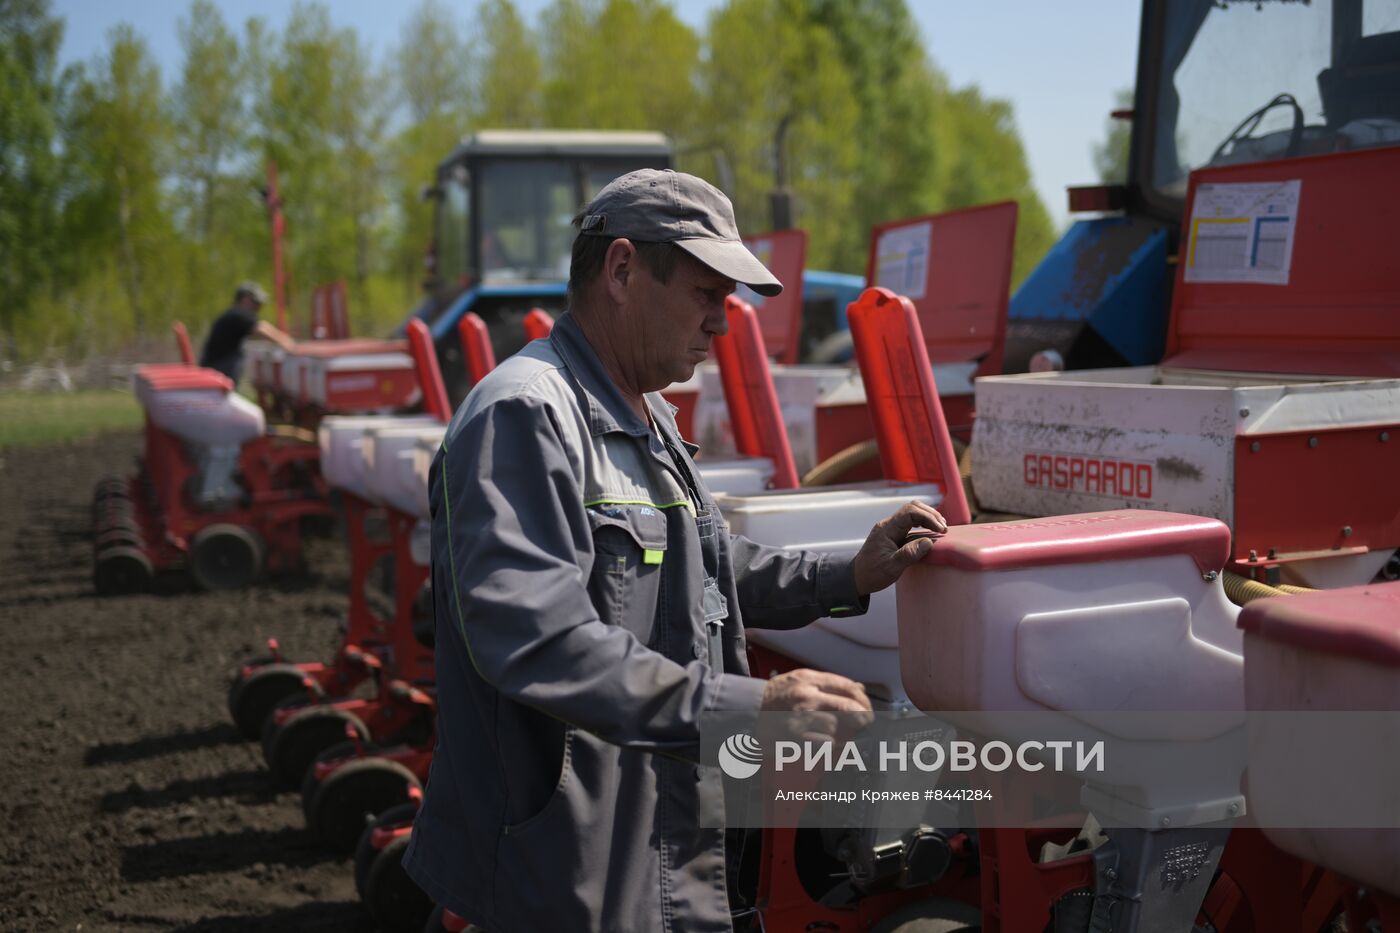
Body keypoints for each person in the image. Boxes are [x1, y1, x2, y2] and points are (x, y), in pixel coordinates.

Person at [404, 169, 947, 932]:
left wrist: (850, 573)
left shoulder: (648, 415)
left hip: (657, 849)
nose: (722, 324)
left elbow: (709, 570)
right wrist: (746, 705)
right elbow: (537, 640)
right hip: (566, 873)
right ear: (622, 269)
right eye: (705, 294)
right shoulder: (525, 415)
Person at [198, 281, 294, 382]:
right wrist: (287, 342)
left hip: (215, 374)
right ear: (245, 299)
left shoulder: (234, 315)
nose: (258, 307)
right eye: (256, 303)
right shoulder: (238, 314)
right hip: (216, 375)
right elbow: (260, 328)